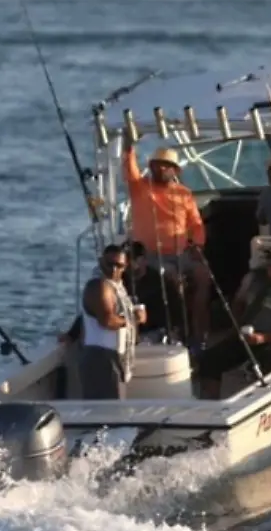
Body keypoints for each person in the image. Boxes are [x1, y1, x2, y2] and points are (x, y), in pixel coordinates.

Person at [122, 135, 210, 347]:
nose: (161, 169)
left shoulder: (184, 194)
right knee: (172, 281)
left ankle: (200, 332)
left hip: (181, 254)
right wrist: (129, 145)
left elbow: (196, 224)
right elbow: (128, 169)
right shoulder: (139, 187)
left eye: (167, 166)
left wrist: (197, 246)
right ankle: (179, 332)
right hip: (152, 257)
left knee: (202, 277)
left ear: (176, 170)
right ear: (150, 167)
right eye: (157, 165)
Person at [196, 238, 271, 399]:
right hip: (245, 337)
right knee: (209, 360)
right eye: (270, 259)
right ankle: (210, 403)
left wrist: (264, 338)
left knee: (264, 369)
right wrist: (237, 321)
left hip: (269, 342)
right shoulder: (253, 278)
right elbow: (239, 301)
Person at [79, 244, 144, 400]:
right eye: (110, 264)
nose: (114, 269)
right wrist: (135, 318)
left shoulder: (117, 286)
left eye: (119, 266)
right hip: (101, 357)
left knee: (115, 409)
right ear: (101, 261)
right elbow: (107, 321)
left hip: (114, 356)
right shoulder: (99, 285)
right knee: (106, 414)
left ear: (125, 266)